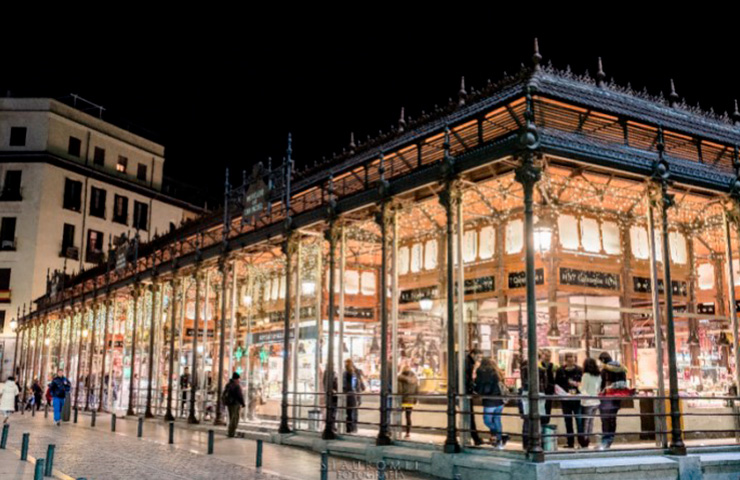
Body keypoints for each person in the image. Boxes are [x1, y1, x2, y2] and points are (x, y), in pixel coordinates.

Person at [474, 357, 508, 449]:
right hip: (500, 400)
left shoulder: (482, 371)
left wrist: (477, 390)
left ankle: (500, 436)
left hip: (490, 400)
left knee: (487, 420)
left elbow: (480, 384)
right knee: (497, 419)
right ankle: (499, 441)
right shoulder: (497, 372)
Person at [598, 352, 628, 449]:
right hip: (617, 396)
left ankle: (606, 440)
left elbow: (601, 384)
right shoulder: (621, 368)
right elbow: (624, 383)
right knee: (613, 418)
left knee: (605, 419)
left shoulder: (605, 370)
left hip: (607, 397)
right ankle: (610, 438)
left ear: (602, 360)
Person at [555, 352, 584, 448]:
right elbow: (557, 384)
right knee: (568, 421)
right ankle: (570, 442)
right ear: (565, 359)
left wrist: (577, 385)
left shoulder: (580, 370)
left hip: (577, 399)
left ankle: (581, 442)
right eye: (568, 358)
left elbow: (583, 383)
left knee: (579, 421)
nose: (570, 359)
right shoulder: (560, 371)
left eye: (572, 357)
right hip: (565, 400)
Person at [579, 357, 602, 449]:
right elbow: (598, 389)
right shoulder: (598, 376)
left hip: (587, 402)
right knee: (591, 421)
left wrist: (578, 387)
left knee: (586, 422)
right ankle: (588, 438)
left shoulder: (586, 376)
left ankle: (585, 441)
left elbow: (583, 389)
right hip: (596, 401)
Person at [464, 348, 484, 445]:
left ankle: (474, 437)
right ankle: (475, 438)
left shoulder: (467, 361)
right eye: (478, 356)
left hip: (465, 392)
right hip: (465, 393)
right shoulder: (468, 363)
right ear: (472, 354)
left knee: (469, 416)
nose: (479, 359)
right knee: (470, 416)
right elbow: (467, 378)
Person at [397, 365, 419, 439]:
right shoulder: (414, 378)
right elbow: (417, 390)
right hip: (410, 400)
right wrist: (415, 399)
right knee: (408, 416)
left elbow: (399, 390)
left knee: (397, 415)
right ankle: (407, 433)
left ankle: (397, 431)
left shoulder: (400, 378)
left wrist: (399, 398)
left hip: (403, 400)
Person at [343, 359, 364, 433]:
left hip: (349, 395)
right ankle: (354, 428)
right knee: (353, 412)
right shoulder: (355, 372)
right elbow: (358, 385)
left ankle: (350, 428)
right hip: (355, 394)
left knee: (349, 412)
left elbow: (345, 385)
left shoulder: (346, 373)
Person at [222, 372, 245, 437]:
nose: (239, 380)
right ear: (236, 379)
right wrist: (243, 403)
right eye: (238, 379)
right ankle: (231, 433)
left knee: (231, 417)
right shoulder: (236, 386)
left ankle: (230, 432)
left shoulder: (228, 384)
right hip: (235, 404)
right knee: (234, 419)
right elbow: (239, 396)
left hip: (229, 404)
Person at [539, 349, 557, 425]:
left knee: (548, 408)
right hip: (541, 390)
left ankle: (546, 423)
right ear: (542, 356)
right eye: (546, 355)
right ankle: (542, 423)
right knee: (541, 407)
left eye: (549, 356)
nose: (548, 357)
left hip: (549, 390)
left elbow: (555, 378)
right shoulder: (539, 365)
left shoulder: (553, 366)